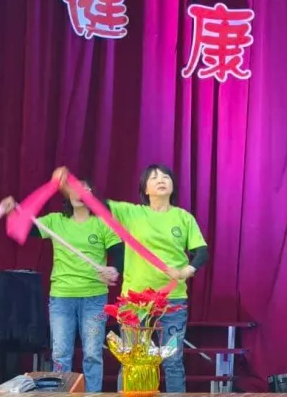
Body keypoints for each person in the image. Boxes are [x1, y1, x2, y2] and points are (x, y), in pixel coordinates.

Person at [54, 164, 208, 393]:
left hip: (172, 301)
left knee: (173, 361)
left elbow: (201, 252)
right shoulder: (131, 213)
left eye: (165, 177)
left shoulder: (184, 217)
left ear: (173, 185)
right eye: (154, 178)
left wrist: (187, 270)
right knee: (130, 361)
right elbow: (95, 203)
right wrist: (69, 184)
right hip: (134, 303)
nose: (161, 180)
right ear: (145, 189)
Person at [1, 179, 124, 392]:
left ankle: (93, 395)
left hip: (94, 298)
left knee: (93, 353)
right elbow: (25, 229)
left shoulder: (103, 223)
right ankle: (61, 394)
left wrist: (114, 270)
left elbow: (119, 253)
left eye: (84, 188)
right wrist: (12, 212)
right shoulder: (55, 221)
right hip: (62, 298)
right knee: (60, 354)